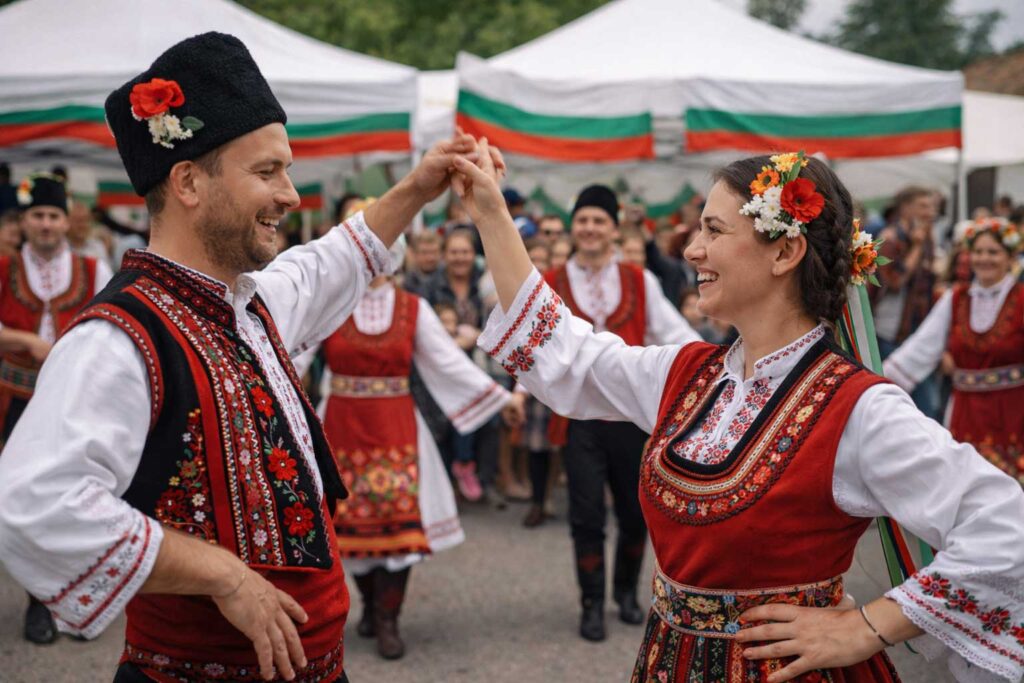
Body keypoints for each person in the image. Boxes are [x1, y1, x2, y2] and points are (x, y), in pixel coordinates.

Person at [0, 32, 487, 683]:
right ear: (188, 181)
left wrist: (417, 188)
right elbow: (35, 502)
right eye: (267, 171)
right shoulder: (117, 339)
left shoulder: (250, 302)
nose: (290, 194)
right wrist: (223, 575)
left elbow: (328, 261)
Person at [451, 143, 1024, 682]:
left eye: (713, 230)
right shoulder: (687, 375)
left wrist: (868, 627)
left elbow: (1007, 527)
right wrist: (491, 214)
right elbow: (569, 355)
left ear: (784, 251)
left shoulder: (858, 410)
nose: (691, 249)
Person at [307, 265, 512, 660]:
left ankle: (389, 617)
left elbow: (448, 361)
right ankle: (370, 603)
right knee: (347, 525)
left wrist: (503, 400)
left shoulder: (412, 307)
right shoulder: (332, 303)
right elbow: (291, 354)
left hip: (396, 426)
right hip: (341, 425)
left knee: (400, 525)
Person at [541, 183, 702, 642]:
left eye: (599, 221)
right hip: (577, 420)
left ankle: (626, 594)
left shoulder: (638, 278)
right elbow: (534, 346)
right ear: (574, 228)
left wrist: (707, 364)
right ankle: (591, 603)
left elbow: (675, 333)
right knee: (586, 514)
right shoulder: (552, 282)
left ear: (615, 229)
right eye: (584, 220)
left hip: (631, 418)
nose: (590, 229)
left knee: (636, 513)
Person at [0, 172, 113, 645]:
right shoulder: (2, 268)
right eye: (37, 216)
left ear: (67, 222)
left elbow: (113, 329)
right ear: (23, 222)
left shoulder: (94, 268)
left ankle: (78, 601)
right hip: (15, 398)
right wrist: (25, 338)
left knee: (79, 497)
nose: (45, 225)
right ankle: (37, 603)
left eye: (53, 216)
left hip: (73, 399)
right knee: (27, 501)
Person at [884, 217, 1024, 486]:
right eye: (978, 252)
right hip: (966, 411)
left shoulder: (1021, 298)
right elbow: (921, 348)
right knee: (969, 489)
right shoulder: (957, 298)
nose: (984, 259)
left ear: (1009, 257)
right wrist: (874, 381)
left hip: (1013, 412)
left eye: (993, 252)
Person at [870, 185, 940, 419]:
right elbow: (896, 280)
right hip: (891, 332)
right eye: (923, 206)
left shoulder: (925, 237)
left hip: (917, 329)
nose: (930, 212)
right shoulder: (890, 239)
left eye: (932, 206)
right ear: (905, 209)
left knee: (923, 403)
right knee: (911, 405)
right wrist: (918, 247)